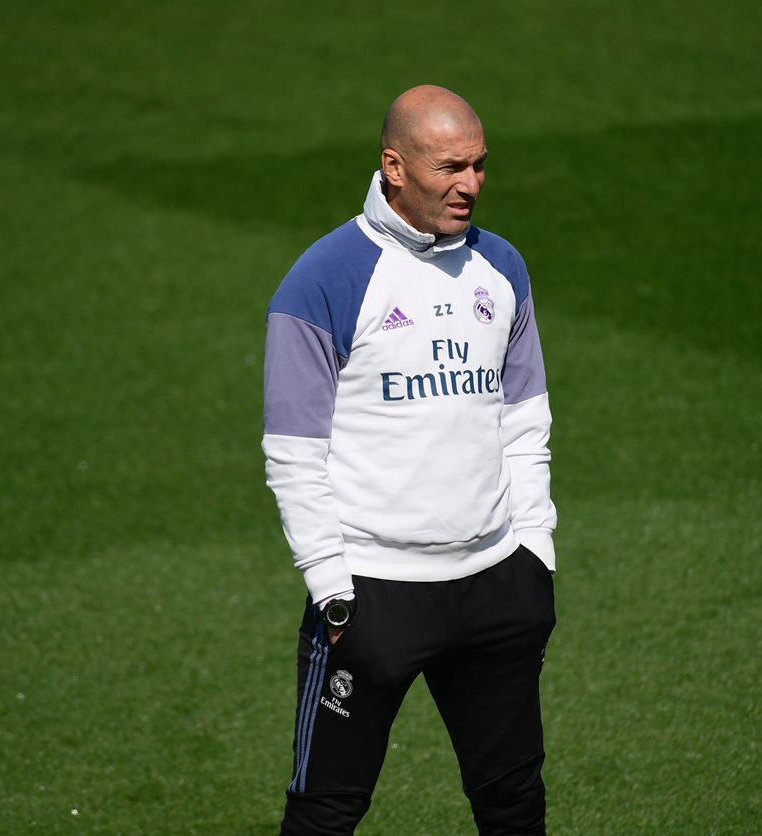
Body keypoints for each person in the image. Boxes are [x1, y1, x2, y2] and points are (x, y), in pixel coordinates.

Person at [262, 84, 558, 835]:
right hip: (373, 598)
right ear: (394, 166)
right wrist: (332, 589)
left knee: (515, 805)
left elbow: (525, 421)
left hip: (495, 589)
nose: (471, 185)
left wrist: (534, 553)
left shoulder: (503, 268)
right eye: (450, 167)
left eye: (481, 166)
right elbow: (294, 453)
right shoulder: (324, 279)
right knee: (325, 814)